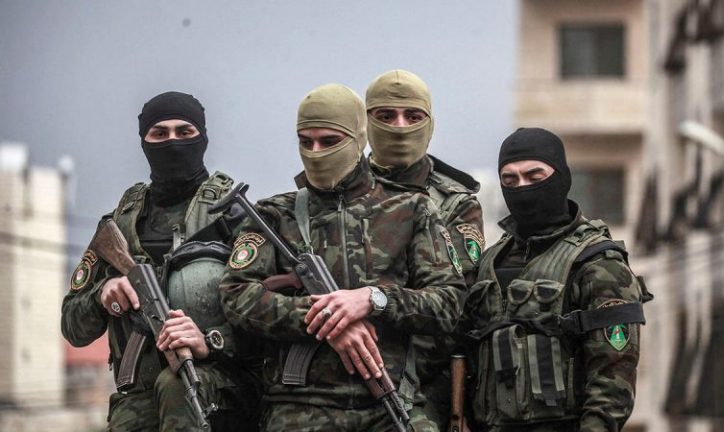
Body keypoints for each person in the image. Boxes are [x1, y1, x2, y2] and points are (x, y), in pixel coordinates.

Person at [219, 83, 467, 432]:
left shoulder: (412, 209)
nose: (316, 152)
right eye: (306, 142)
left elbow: (448, 301)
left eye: (329, 141)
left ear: (358, 138)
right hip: (299, 405)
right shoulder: (273, 214)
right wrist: (324, 319)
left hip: (391, 400)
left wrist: (374, 299)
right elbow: (235, 296)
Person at [61, 91, 259, 431]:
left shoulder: (235, 217)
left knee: (177, 385)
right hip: (137, 403)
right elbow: (73, 329)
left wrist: (210, 340)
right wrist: (103, 294)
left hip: (219, 390)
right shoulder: (120, 224)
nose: (172, 142)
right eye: (160, 133)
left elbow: (267, 322)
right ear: (144, 142)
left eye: (184, 132)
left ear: (202, 137)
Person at [464, 127, 651, 431]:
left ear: (562, 177)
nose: (522, 188)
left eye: (534, 177)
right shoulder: (490, 261)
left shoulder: (598, 262)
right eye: (510, 180)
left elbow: (613, 383)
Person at [365, 69, 484, 428]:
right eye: (386, 116)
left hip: (417, 384)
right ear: (365, 122)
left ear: (429, 124)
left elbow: (452, 305)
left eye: (412, 116)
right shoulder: (336, 189)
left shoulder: (454, 203)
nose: (400, 127)